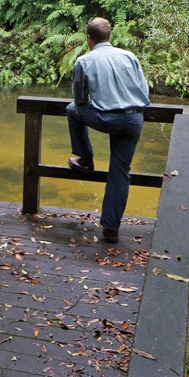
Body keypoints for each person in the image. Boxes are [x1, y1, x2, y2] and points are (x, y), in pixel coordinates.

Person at [66, 17, 150, 244]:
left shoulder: (84, 61)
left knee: (71, 109)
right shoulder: (129, 56)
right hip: (134, 118)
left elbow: (80, 98)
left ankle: (85, 158)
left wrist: (93, 104)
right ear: (109, 36)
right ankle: (111, 229)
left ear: (89, 38)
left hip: (106, 118)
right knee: (120, 171)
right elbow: (144, 90)